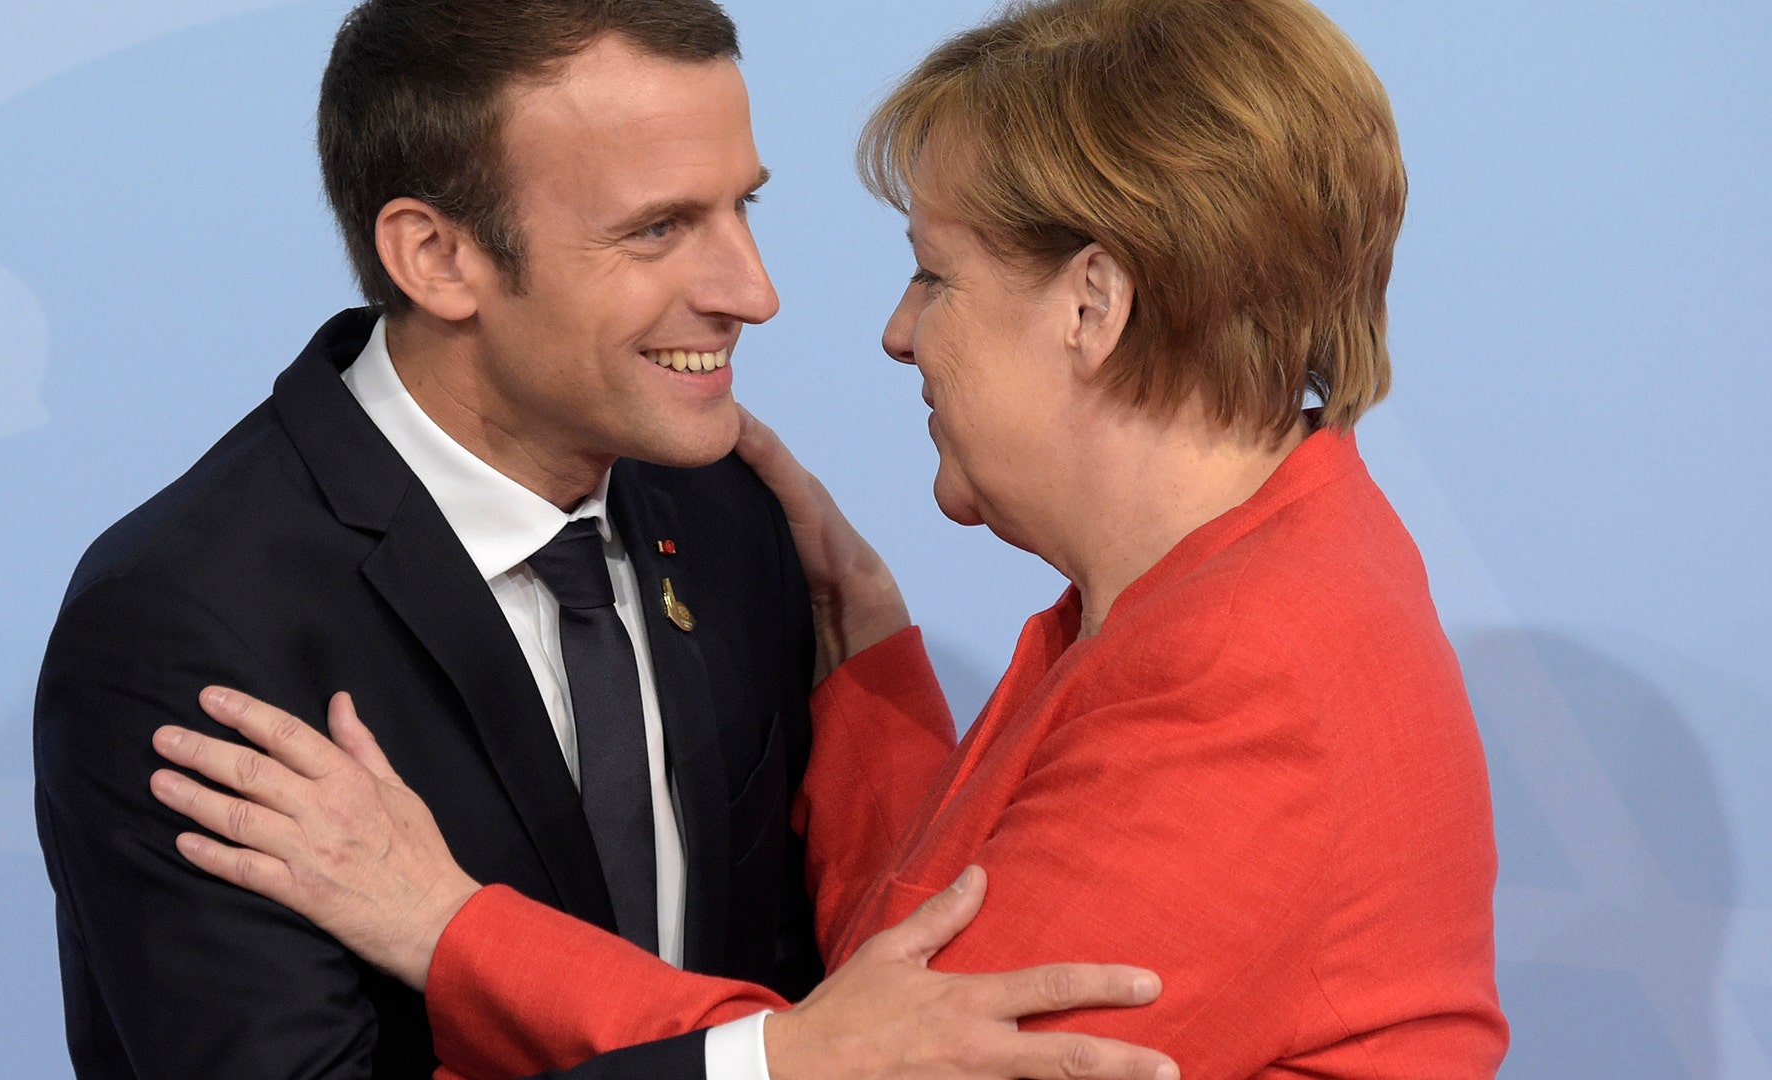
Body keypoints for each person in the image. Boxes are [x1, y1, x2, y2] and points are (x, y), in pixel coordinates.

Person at [147, 0, 1511, 1076]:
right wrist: (866, 674)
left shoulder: (1247, 669)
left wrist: (449, 927)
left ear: (1093, 303)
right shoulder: (1192, 596)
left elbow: (880, 1066)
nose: (892, 329)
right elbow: (902, 984)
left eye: (935, 272)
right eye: (666, 225)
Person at [33, 1, 1176, 1078]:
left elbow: (815, 992)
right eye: (659, 228)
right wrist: (765, 1068)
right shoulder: (191, 625)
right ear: (439, 258)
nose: (755, 291)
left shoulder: (729, 517)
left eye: (745, 207)